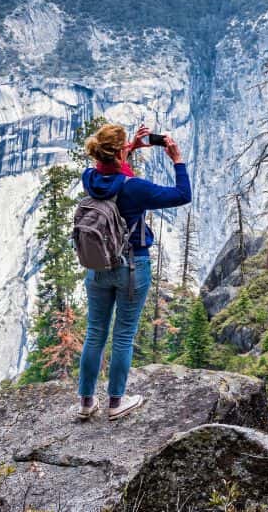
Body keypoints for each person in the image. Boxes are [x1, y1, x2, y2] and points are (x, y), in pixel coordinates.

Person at [76, 123, 191, 421]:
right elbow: (182, 194)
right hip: (131, 266)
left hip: (98, 266)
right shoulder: (135, 188)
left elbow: (110, 170)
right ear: (119, 153)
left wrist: (131, 149)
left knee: (95, 333)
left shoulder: (90, 178)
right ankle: (116, 402)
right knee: (123, 336)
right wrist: (176, 158)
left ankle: (86, 402)